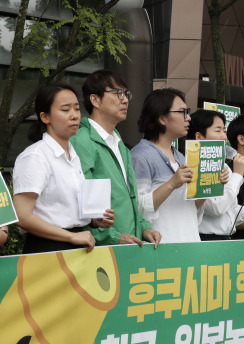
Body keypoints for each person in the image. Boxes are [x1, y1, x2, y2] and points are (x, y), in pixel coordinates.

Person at [13, 83, 114, 254]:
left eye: (76, 109)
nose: (74, 115)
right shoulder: (35, 156)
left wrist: (94, 219)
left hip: (79, 244)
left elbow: (62, 209)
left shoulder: (72, 154)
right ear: (45, 117)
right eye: (66, 110)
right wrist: (70, 237)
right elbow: (21, 216)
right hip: (48, 248)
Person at [71, 69, 161, 248]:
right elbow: (81, 203)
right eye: (118, 93)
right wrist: (111, 236)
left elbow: (128, 198)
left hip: (127, 246)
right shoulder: (82, 140)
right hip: (102, 249)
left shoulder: (120, 144)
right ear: (95, 100)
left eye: (126, 94)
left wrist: (144, 228)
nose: (125, 99)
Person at [131, 89, 206, 248]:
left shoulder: (180, 157)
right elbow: (138, 210)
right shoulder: (140, 156)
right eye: (182, 112)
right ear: (162, 118)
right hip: (163, 249)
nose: (188, 118)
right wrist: (172, 183)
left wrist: (209, 186)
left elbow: (191, 208)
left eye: (188, 112)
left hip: (190, 245)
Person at [187, 109, 244, 240]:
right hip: (206, 239)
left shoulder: (224, 166)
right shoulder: (192, 166)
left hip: (226, 238)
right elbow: (217, 208)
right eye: (218, 131)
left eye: (224, 131)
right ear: (199, 136)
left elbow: (229, 213)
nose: (224, 137)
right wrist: (238, 175)